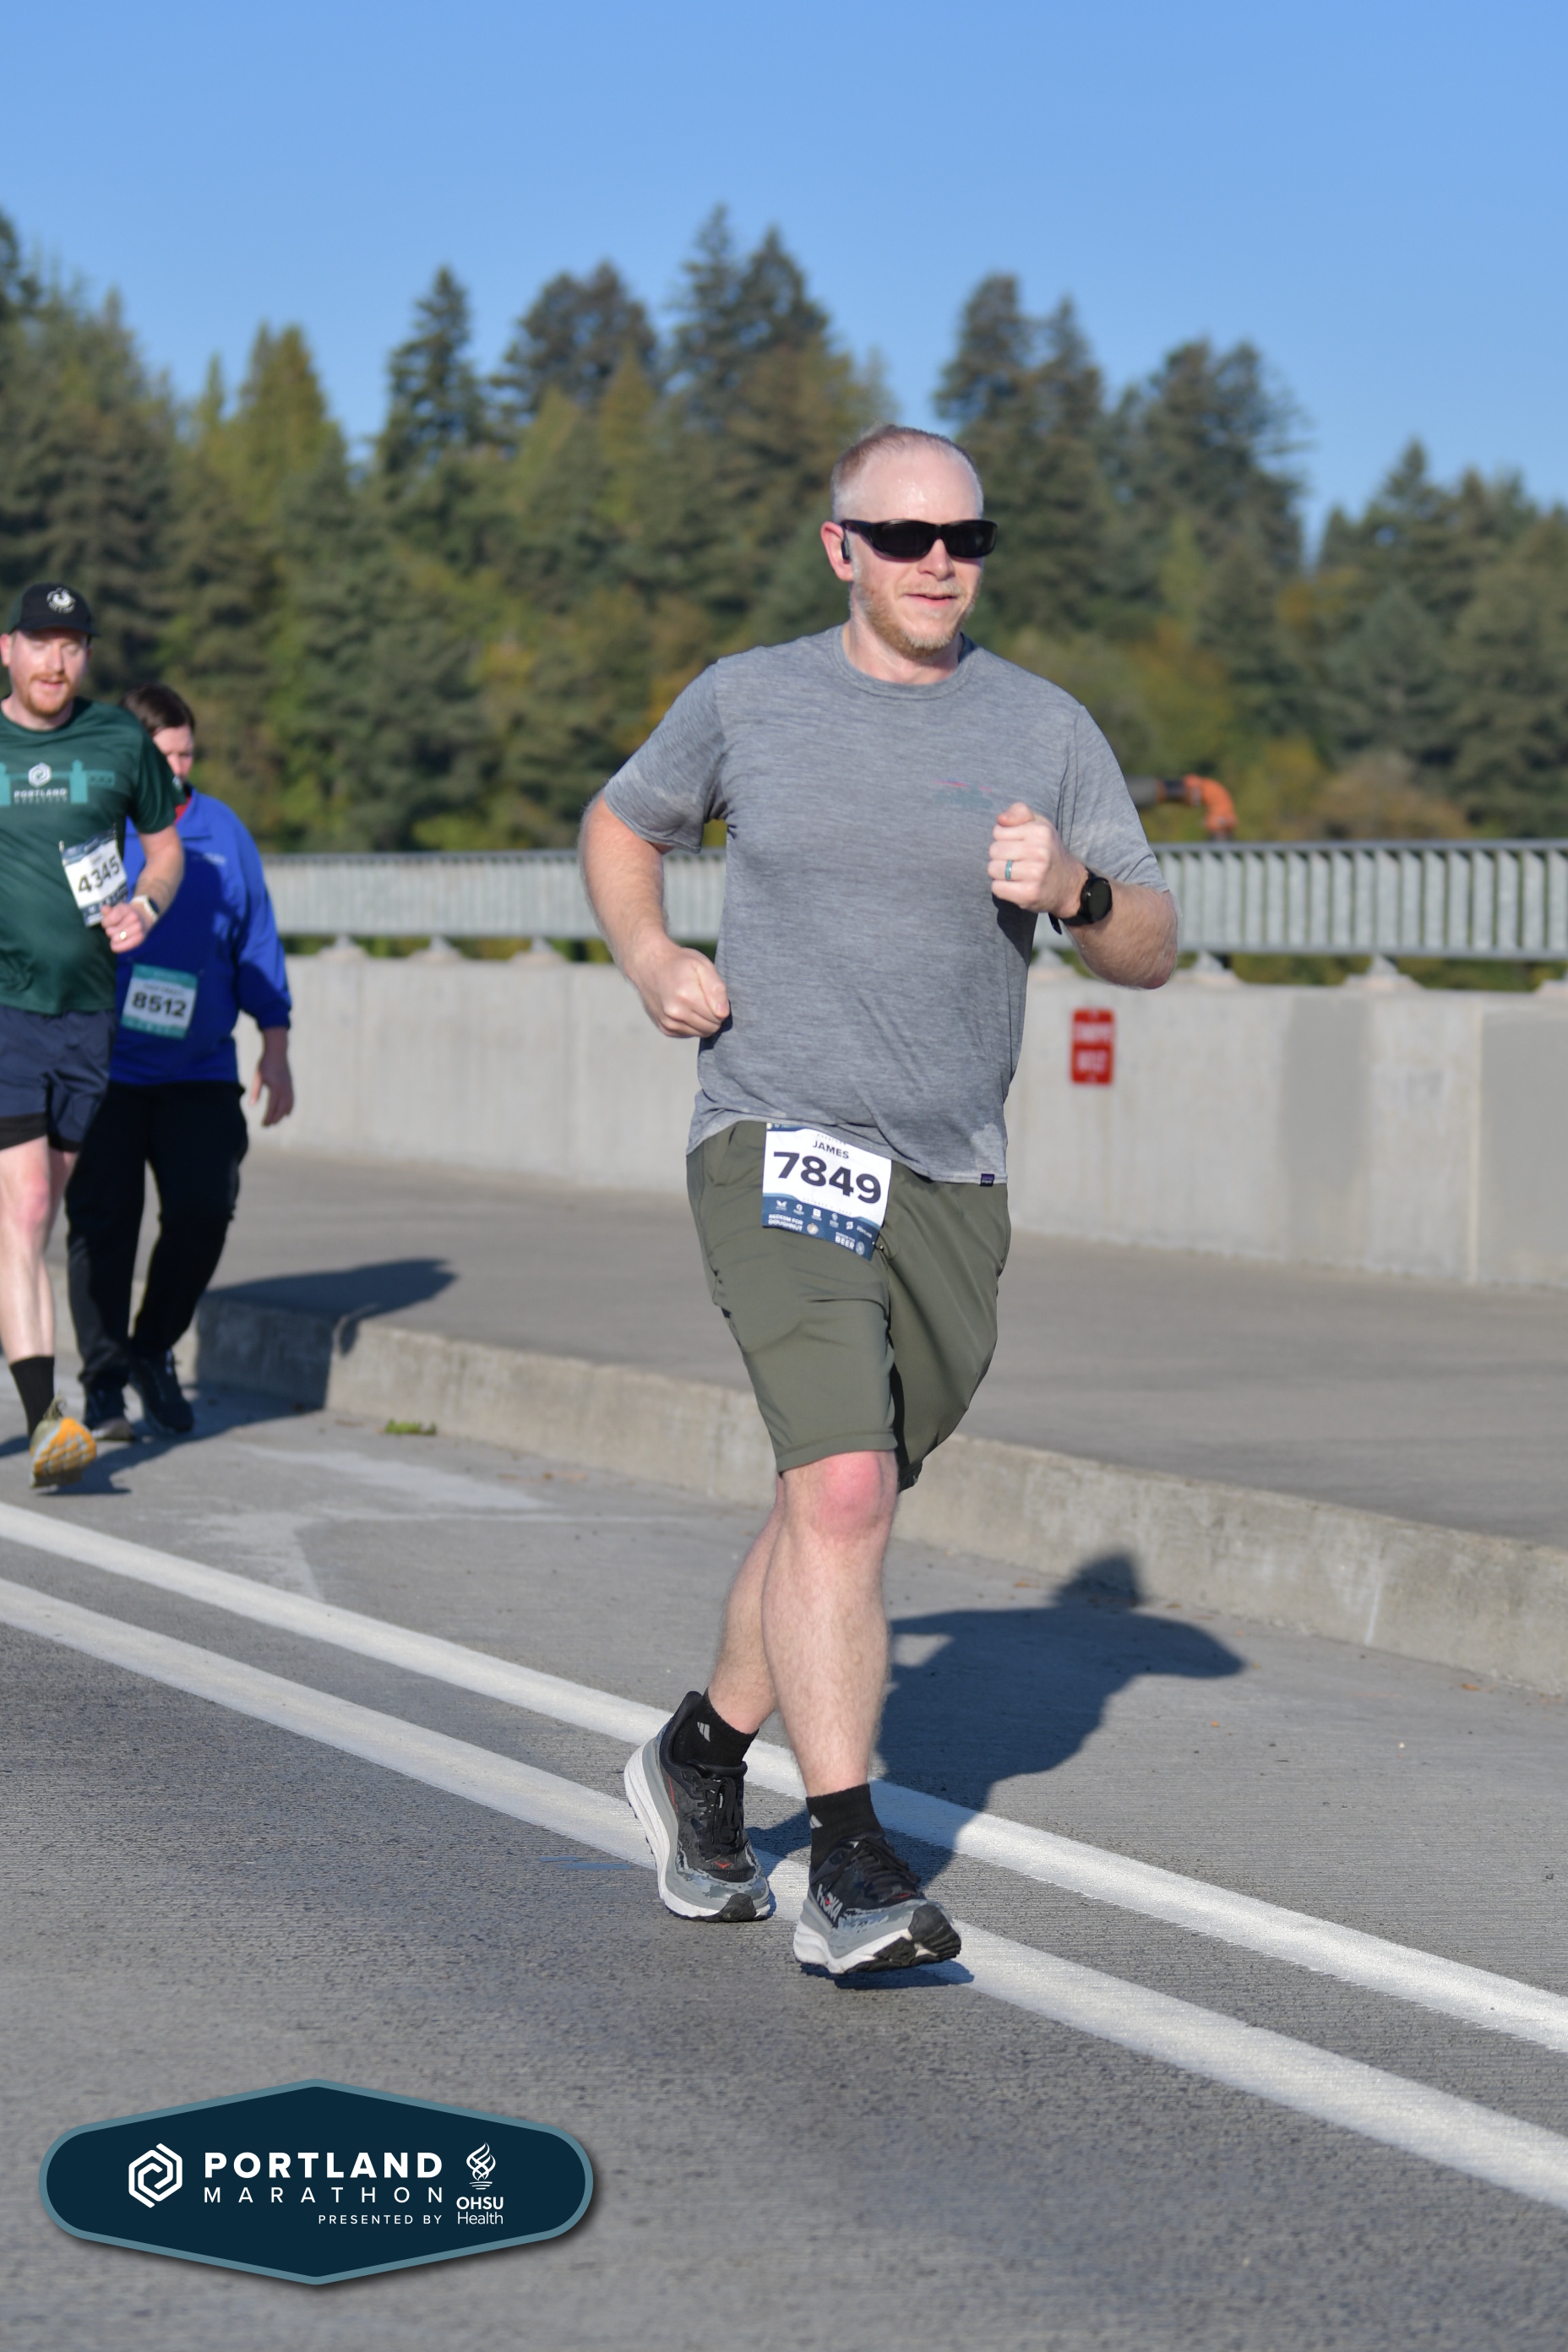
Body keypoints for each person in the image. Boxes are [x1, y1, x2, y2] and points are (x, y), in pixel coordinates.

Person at [582, 424, 1179, 1977]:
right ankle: (849, 1864)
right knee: (845, 1488)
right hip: (775, 1136)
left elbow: (1151, 943)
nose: (937, 562)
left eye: (965, 538)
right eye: (905, 535)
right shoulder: (749, 698)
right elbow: (622, 822)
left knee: (826, 1494)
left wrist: (1076, 892)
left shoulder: (1043, 725)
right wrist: (651, 956)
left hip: (951, 1174)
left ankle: (699, 1752)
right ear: (840, 546)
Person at [65, 683, 292, 1440]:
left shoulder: (223, 831)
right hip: (104, 1070)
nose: (177, 769)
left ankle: (151, 1346)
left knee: (204, 1207)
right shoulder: (94, 830)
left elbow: (257, 939)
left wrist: (277, 1044)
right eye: (162, 756)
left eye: (186, 754)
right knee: (105, 1225)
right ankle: (103, 1386)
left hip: (199, 1069)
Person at [0, 584, 183, 1486]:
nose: (56, 661)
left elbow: (165, 849)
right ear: (7, 649)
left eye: (72, 645)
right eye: (40, 642)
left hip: (85, 1014)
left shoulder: (118, 740)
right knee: (29, 1207)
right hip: (4, 1007)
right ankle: (48, 1426)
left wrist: (145, 906)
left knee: (24, 1226)